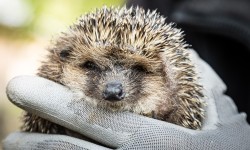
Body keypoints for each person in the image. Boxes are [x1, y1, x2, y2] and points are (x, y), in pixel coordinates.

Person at [3, 50, 250, 149]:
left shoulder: (175, 84)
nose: (113, 87)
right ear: (64, 61)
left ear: (168, 74)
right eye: (91, 66)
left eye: (140, 70)